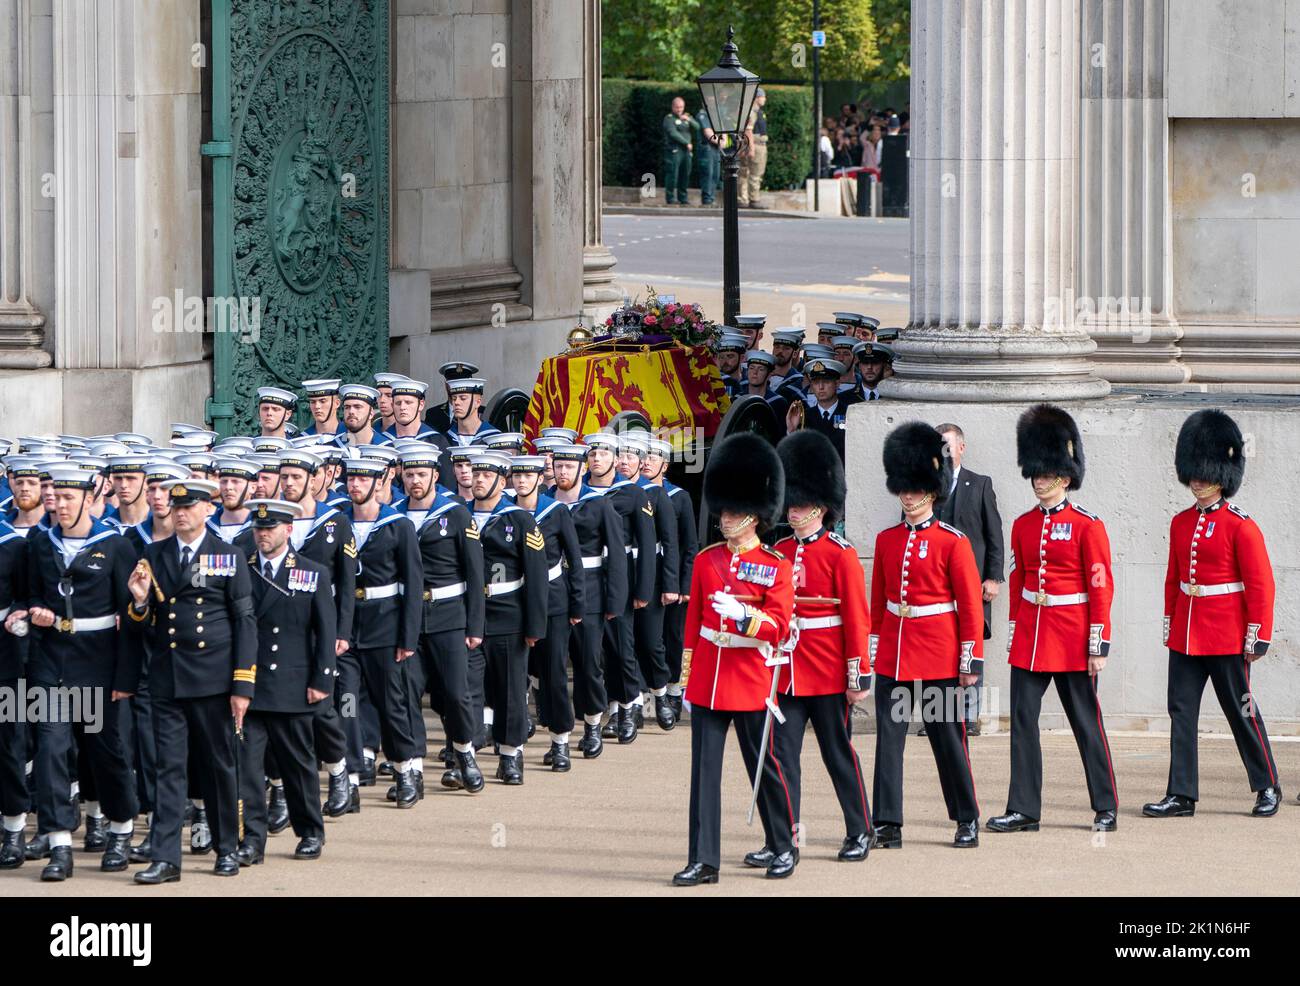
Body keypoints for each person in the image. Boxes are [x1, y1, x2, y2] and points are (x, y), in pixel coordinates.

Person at [1143, 409, 1282, 819]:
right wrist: (1170, 621)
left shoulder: (1242, 527)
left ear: (1223, 471)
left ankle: (1267, 784)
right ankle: (1181, 794)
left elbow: (1261, 583)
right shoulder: (1181, 523)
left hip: (1226, 634)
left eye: (1204, 471)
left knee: (1240, 710)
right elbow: (1174, 579)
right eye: (1194, 471)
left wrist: (1257, 633)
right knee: (1181, 712)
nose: (1197, 479)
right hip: (1187, 634)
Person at [672, 432, 796, 886]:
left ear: (755, 514)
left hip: (748, 678)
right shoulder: (706, 562)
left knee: (763, 768)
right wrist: (686, 680)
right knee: (703, 777)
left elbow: (779, 626)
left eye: (732, 511)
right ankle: (703, 860)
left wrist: (746, 616)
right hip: (708, 678)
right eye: (722, 510)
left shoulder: (776, 565)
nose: (724, 518)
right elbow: (692, 628)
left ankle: (783, 845)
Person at [987, 405, 1118, 834]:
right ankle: (1024, 808)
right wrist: (1014, 632)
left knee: (1085, 721)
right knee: (1023, 721)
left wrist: (1098, 644)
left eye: (1045, 475)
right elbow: (1019, 577)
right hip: (1032, 636)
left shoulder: (1087, 526)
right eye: (1035, 475)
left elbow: (1100, 585)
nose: (1038, 482)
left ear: (1064, 476)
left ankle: (1105, 805)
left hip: (1073, 634)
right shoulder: (1024, 525)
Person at [126, 478, 257, 884]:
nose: (180, 512)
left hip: (214, 680)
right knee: (168, 769)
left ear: (208, 510)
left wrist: (242, 686)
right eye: (176, 507)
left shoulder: (227, 556)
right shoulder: (153, 553)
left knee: (219, 765)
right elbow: (143, 624)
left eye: (190, 506)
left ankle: (227, 847)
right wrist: (140, 601)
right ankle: (166, 858)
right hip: (169, 678)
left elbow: (244, 622)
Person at [15, 466, 138, 881]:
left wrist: (125, 679)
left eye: (69, 498)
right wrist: (36, 610)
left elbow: (130, 616)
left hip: (98, 662)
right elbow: (30, 591)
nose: (60, 504)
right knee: (51, 749)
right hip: (52, 661)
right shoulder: (40, 543)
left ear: (89, 499)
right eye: (56, 496)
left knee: (106, 752)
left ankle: (120, 829)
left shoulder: (116, 545)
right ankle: (59, 843)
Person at [761, 431, 874, 864]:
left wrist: (856, 673)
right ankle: (784, 838)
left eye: (801, 505)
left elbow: (856, 619)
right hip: (787, 670)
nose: (793, 512)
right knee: (782, 756)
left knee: (837, 754)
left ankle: (860, 829)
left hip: (827, 671)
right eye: (791, 504)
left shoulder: (840, 554)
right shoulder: (780, 550)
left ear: (820, 508)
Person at [870, 422, 983, 850]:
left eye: (916, 488)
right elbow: (878, 603)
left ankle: (966, 817)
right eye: (904, 487)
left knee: (947, 736)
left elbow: (970, 605)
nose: (908, 495)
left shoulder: (953, 542)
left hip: (939, 651)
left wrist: (968, 660)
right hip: (896, 653)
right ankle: (887, 823)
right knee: (890, 740)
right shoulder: (887, 540)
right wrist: (875, 650)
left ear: (932, 491)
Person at [235, 499, 335, 864]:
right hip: (251, 686)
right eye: (258, 529)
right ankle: (251, 841)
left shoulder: (312, 572)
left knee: (299, 766)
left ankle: (310, 831)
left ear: (289, 530)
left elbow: (325, 631)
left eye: (270, 528)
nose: (263, 535)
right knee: (247, 771)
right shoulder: (241, 570)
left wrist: (322, 679)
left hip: (293, 686)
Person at [396, 444, 486, 792]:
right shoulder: (395, 515)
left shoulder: (457, 514)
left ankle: (464, 752)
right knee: (407, 692)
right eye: (409, 474)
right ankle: (413, 766)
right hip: (408, 619)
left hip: (449, 616)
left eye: (421, 474)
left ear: (435, 475)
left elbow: (475, 574)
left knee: (455, 692)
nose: (415, 480)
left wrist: (475, 626)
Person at [279, 449, 358, 818]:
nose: (290, 483)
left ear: (314, 479)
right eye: (285, 477)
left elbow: (346, 582)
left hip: (320, 626)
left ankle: (339, 773)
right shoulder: (274, 518)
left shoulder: (335, 521)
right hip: (282, 627)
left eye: (297, 477)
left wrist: (342, 630)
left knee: (324, 708)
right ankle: (282, 792)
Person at [342, 458, 424, 806]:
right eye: (351, 478)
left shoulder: (398, 525)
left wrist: (407, 637)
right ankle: (350, 778)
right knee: (346, 703)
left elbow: (412, 582)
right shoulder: (338, 523)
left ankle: (404, 768)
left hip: (385, 624)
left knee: (391, 703)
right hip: (347, 627)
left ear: (379, 482)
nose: (355, 485)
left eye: (363, 478)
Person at [467, 452, 548, 784]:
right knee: (468, 688)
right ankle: (466, 748)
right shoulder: (461, 517)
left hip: (508, 613)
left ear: (503, 482)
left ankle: (510, 754)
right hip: (470, 614)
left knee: (511, 689)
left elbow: (537, 576)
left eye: (488, 477)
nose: (480, 481)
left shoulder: (520, 520)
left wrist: (534, 626)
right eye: (477, 475)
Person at [549, 443, 626, 758]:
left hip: (592, 590)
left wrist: (614, 601)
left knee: (588, 662)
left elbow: (617, 554)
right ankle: (558, 731)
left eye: (570, 467)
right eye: (559, 467)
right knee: (552, 664)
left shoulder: (599, 505)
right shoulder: (545, 504)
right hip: (554, 590)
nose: (563, 472)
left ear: (582, 469)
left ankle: (593, 723)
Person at [509, 455, 584, 770]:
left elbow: (574, 559)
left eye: (529, 476)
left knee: (553, 673)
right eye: (517, 476)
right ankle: (512, 739)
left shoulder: (556, 512)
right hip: (514, 601)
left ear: (541, 479)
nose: (522, 481)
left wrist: (577, 603)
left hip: (553, 600)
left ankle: (561, 740)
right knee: (520, 674)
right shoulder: (506, 512)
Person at [584, 433, 654, 744]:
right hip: (587, 577)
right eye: (592, 453)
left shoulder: (633, 494)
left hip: (618, 573)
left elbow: (648, 543)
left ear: (615, 458)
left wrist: (643, 590)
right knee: (595, 650)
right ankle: (610, 709)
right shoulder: (580, 492)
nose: (596, 458)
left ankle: (627, 708)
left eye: (603, 453)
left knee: (621, 646)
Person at [935, 423, 1004, 735]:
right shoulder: (924, 487)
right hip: (935, 586)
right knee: (938, 649)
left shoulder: (979, 484)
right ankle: (937, 717)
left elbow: (994, 535)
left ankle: (969, 716)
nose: (946, 452)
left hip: (972, 582)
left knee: (970, 647)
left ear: (961, 447)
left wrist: (993, 577)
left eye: (950, 446)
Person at [620, 434, 680, 731]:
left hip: (651, 574)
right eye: (621, 456)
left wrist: (671, 583)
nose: (623, 462)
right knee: (624, 643)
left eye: (630, 457)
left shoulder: (656, 495)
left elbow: (670, 543)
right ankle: (633, 702)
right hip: (620, 572)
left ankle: (660, 694)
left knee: (651, 641)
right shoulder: (611, 492)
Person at [0, 511, 28, 869]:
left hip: (4, 651)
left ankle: (14, 826)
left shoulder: (14, 543)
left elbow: (27, 594)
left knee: (8, 742)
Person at [787, 358, 861, 462]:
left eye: (826, 382)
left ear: (837, 383)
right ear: (812, 385)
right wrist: (792, 430)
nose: (821, 387)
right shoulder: (805, 417)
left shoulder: (850, 413)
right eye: (816, 383)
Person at [423, 360, 479, 434]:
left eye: (461, 382)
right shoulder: (433, 414)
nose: (457, 386)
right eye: (452, 382)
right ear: (446, 384)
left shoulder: (481, 412)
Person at [443, 378, 500, 447]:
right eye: (454, 398)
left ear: (478, 402)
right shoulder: (445, 439)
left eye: (463, 398)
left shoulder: (494, 438)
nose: (456, 402)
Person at [662, 96, 697, 206]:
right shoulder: (669, 118)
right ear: (673, 107)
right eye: (677, 107)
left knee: (685, 174)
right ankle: (670, 198)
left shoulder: (687, 117)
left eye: (681, 107)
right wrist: (686, 143)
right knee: (672, 174)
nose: (679, 110)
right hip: (675, 150)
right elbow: (673, 133)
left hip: (686, 152)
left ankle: (683, 198)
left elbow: (698, 127)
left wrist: (689, 120)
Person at [737, 89, 768, 208]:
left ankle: (742, 199)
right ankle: (753, 199)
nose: (764, 99)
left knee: (744, 172)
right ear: (756, 98)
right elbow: (748, 130)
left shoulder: (753, 111)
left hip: (751, 144)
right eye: (762, 96)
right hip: (755, 145)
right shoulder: (752, 111)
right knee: (755, 173)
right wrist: (751, 147)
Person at [338, 384, 393, 448]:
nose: (351, 411)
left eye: (357, 407)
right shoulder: (333, 447)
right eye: (347, 407)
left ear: (371, 414)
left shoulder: (386, 448)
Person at [695, 103, 720, 205]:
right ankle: (707, 199)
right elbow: (708, 132)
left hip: (716, 148)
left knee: (716, 174)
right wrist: (721, 142)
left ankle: (711, 197)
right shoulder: (702, 115)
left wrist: (723, 142)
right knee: (708, 174)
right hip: (707, 148)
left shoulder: (715, 116)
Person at [713, 333, 746, 399]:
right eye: (721, 357)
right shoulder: (714, 383)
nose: (725, 361)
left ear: (742, 358)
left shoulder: (750, 382)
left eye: (730, 356)